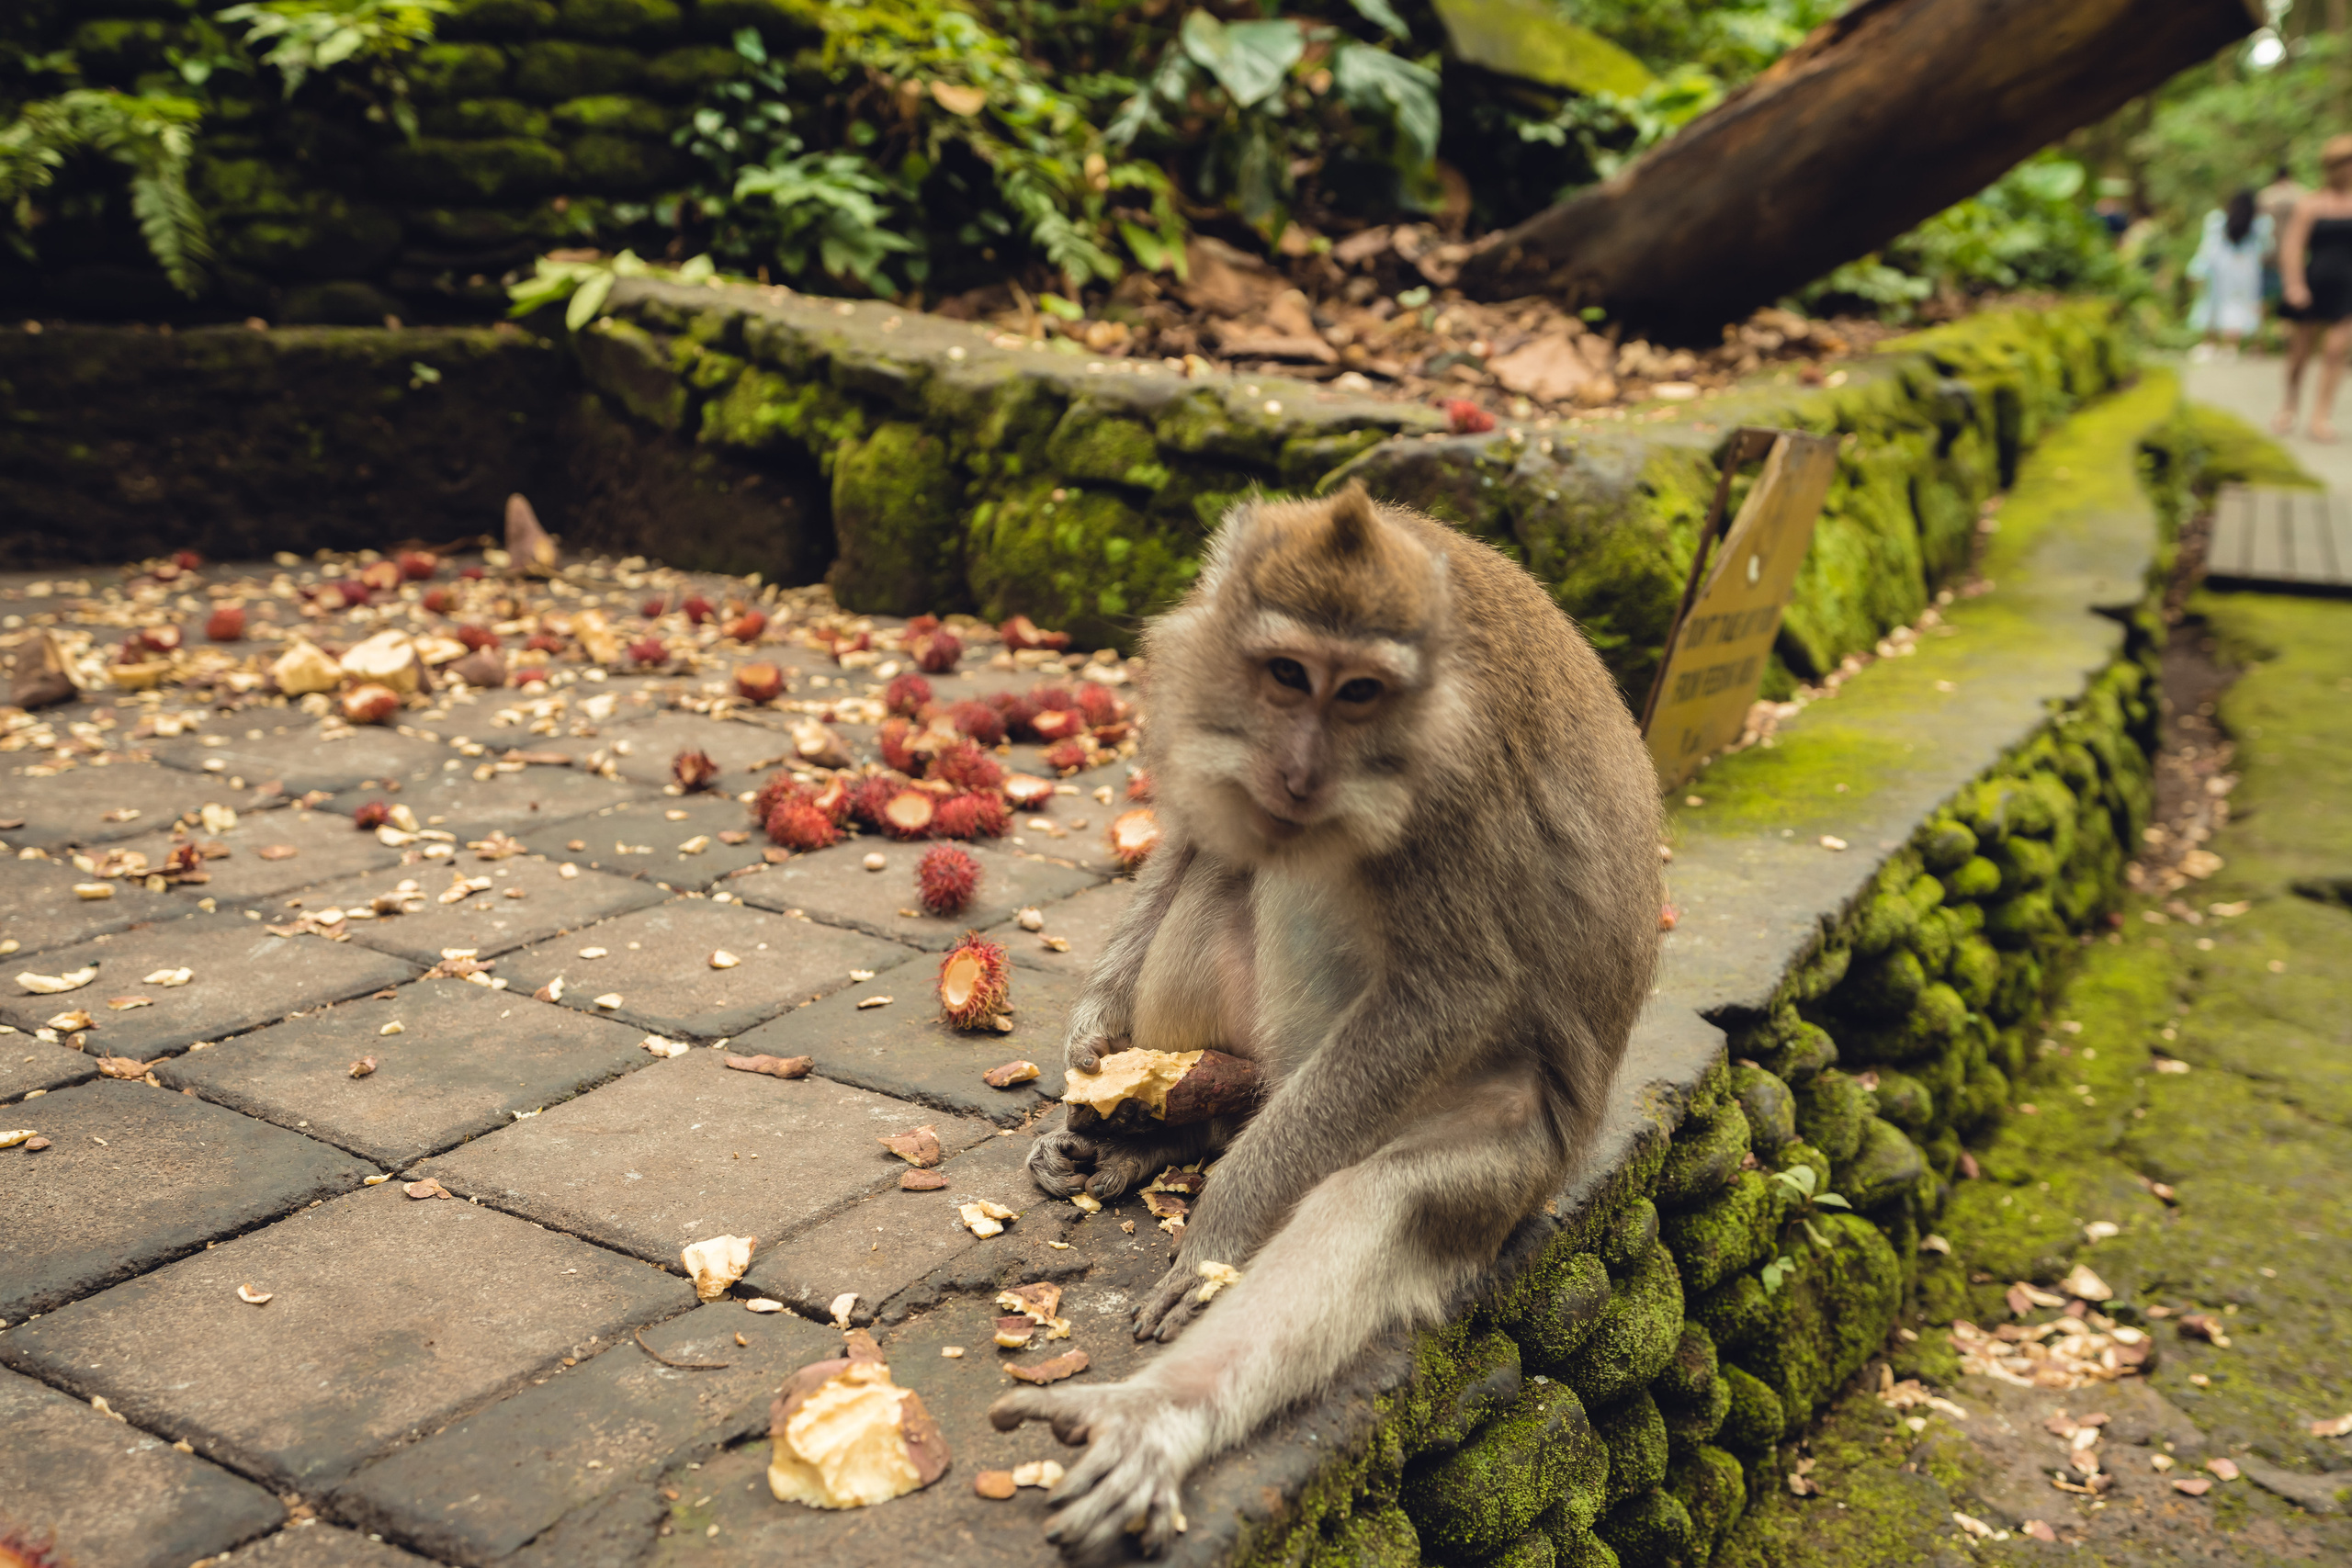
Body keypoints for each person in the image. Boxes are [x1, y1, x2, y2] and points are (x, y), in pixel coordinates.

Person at [2278, 135, 2352, 442]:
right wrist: (2294, 285)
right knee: (2299, 354)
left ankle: (2321, 415)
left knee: (2335, 352)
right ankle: (2290, 404)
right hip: (2313, 284)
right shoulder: (2310, 203)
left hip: (2348, 288)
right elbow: (2292, 246)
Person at [2187, 191, 2270, 356]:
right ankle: (2232, 345)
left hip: (2221, 269)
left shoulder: (2217, 220)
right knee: (2242, 304)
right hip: (2248, 269)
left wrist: (2196, 268)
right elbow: (2266, 248)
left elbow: (2208, 248)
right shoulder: (2259, 224)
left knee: (2213, 301)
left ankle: (2210, 343)